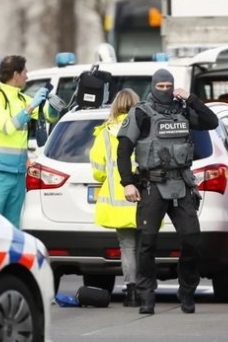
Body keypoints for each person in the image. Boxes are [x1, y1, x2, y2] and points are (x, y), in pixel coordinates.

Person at [116, 68, 218, 315]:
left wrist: (191, 99)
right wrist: (127, 182)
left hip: (181, 184)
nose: (165, 91)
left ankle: (186, 291)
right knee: (147, 244)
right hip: (152, 185)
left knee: (192, 239)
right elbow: (123, 149)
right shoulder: (141, 113)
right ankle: (147, 296)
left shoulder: (182, 110)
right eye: (160, 86)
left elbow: (211, 122)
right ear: (153, 86)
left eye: (168, 86)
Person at [0, 55, 57, 227]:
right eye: (25, 73)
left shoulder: (22, 99)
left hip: (18, 173)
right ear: (16, 74)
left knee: (13, 228)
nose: (27, 77)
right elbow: (8, 127)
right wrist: (31, 108)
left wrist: (52, 106)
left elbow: (50, 118)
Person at [89, 88, 142, 307]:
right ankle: (142, 288)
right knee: (142, 246)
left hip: (116, 199)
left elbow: (98, 170)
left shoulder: (105, 132)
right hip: (142, 195)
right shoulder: (143, 128)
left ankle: (131, 291)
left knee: (127, 247)